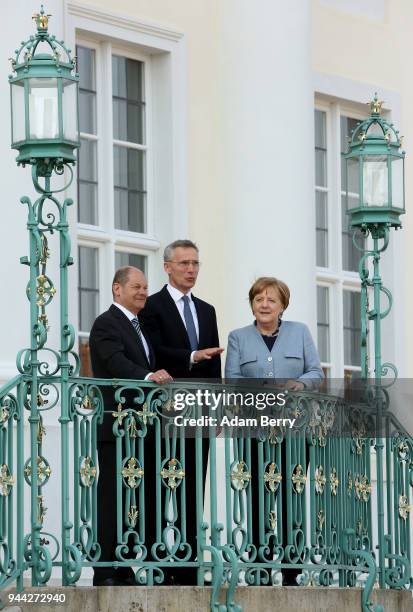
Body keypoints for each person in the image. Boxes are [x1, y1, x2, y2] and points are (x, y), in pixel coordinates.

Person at [225, 276, 324, 585]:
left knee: (291, 497)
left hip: (295, 431)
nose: (264, 305)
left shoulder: (300, 332)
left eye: (271, 300)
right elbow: (232, 379)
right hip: (253, 429)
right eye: (258, 299)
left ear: (283, 305)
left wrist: (300, 383)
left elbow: (316, 372)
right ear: (252, 304)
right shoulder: (238, 337)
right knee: (257, 497)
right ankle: (260, 567)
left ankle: (293, 568)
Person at [140, 239, 224, 584]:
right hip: (165, 411)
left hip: (199, 412)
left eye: (196, 264)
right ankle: (160, 563)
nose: (191, 270)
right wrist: (191, 356)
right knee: (160, 487)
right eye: (185, 263)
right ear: (168, 267)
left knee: (193, 488)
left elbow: (214, 362)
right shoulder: (152, 305)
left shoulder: (207, 309)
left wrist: (217, 409)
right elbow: (155, 351)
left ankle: (189, 564)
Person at [89, 266, 172, 587]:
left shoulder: (140, 327)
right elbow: (115, 361)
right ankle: (106, 570)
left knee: (135, 499)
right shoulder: (106, 323)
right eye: (136, 286)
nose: (143, 292)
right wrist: (148, 377)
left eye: (145, 287)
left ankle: (125, 565)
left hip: (142, 426)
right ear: (116, 289)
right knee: (112, 496)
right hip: (117, 424)